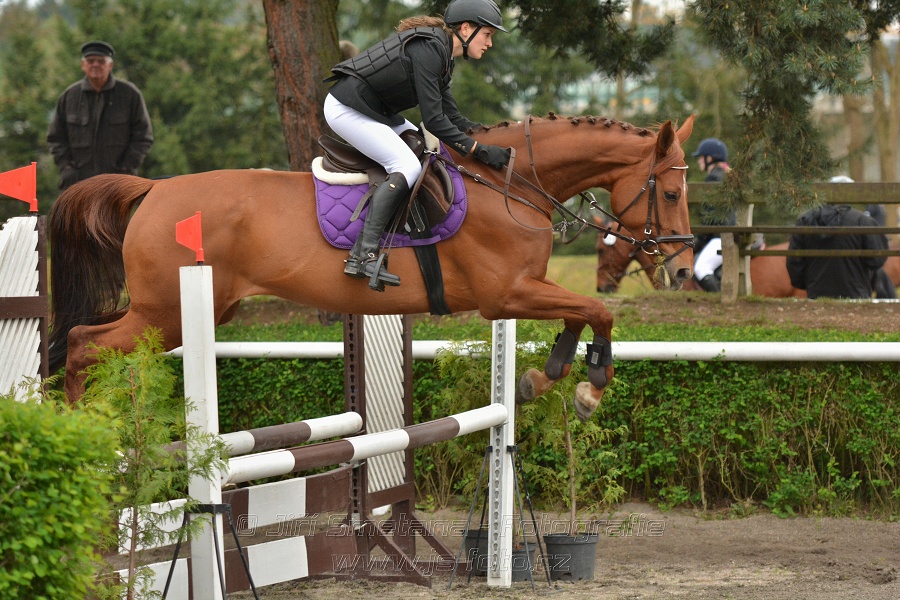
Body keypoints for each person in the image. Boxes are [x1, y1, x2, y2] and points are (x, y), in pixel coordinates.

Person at [323, 0, 510, 291]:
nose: (489, 43)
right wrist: (478, 150)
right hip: (346, 108)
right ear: (466, 29)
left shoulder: (442, 54)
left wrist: (492, 136)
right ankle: (363, 254)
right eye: (487, 35)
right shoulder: (430, 50)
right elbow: (434, 122)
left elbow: (453, 117)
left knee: (424, 150)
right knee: (406, 165)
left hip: (374, 110)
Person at [47, 41, 153, 191]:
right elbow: (56, 138)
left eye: (101, 61)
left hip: (117, 186)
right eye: (90, 61)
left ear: (110, 65)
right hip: (77, 184)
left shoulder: (129, 95)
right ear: (83, 65)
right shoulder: (69, 97)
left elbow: (143, 137)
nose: (95, 65)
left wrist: (126, 170)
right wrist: (67, 168)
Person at [786, 179, 890, 299]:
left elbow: (793, 262)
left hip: (816, 294)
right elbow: (878, 259)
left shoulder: (805, 221)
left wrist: (808, 284)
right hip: (856, 294)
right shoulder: (862, 221)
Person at [691, 137, 735, 292]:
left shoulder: (713, 179)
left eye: (700, 158)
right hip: (729, 233)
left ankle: (719, 300)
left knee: (701, 268)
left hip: (721, 237)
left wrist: (699, 242)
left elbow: (711, 218)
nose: (698, 162)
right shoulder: (726, 176)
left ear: (709, 158)